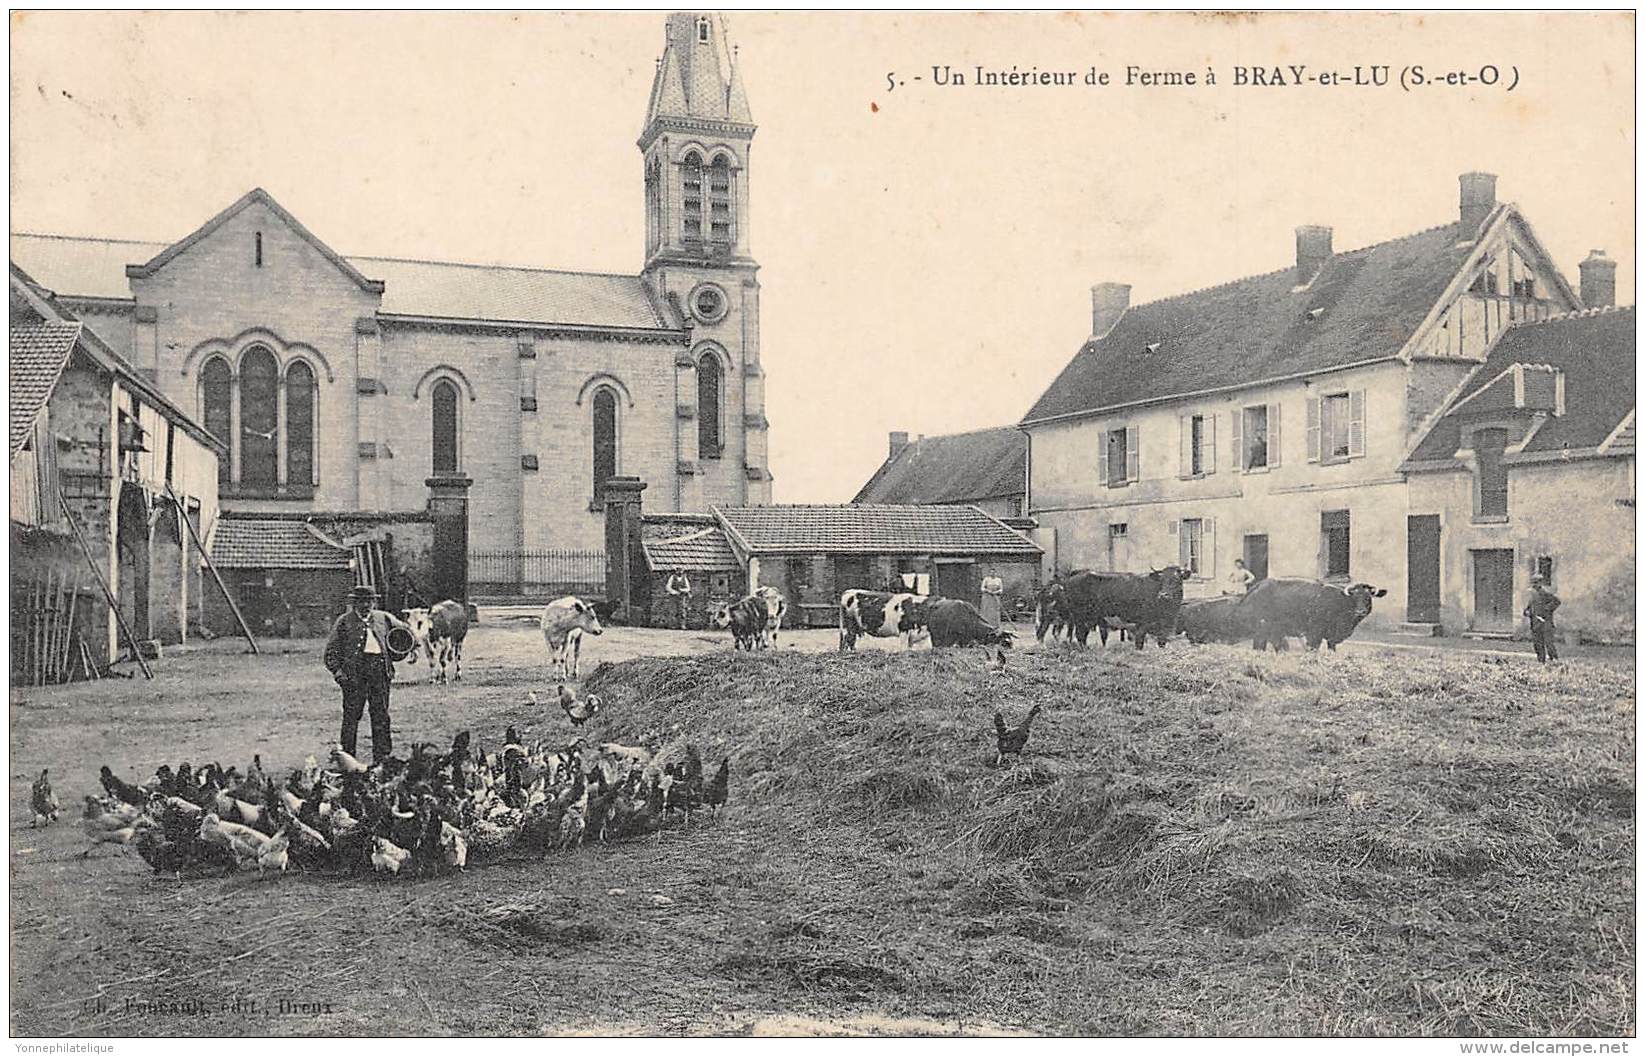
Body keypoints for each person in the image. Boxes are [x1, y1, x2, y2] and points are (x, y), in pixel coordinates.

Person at [323, 585, 416, 762]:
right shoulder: (344, 622)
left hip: (380, 673)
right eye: (361, 602)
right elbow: (331, 652)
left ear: (374, 602)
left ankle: (382, 757)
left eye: (369, 601)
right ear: (354, 603)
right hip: (354, 676)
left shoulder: (384, 618)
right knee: (351, 716)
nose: (366, 605)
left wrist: (413, 646)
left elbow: (406, 631)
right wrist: (338, 672)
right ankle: (347, 758)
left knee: (380, 715)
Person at [1524, 577, 1562, 663]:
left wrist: (1547, 609)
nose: (1534, 585)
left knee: (1549, 643)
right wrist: (1527, 612)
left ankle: (1554, 660)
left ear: (1540, 584)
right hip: (1535, 624)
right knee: (1538, 644)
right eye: (1533, 583)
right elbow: (1528, 609)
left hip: (1545, 623)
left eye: (1536, 583)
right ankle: (1541, 662)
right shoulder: (1532, 597)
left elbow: (1557, 601)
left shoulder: (1544, 594)